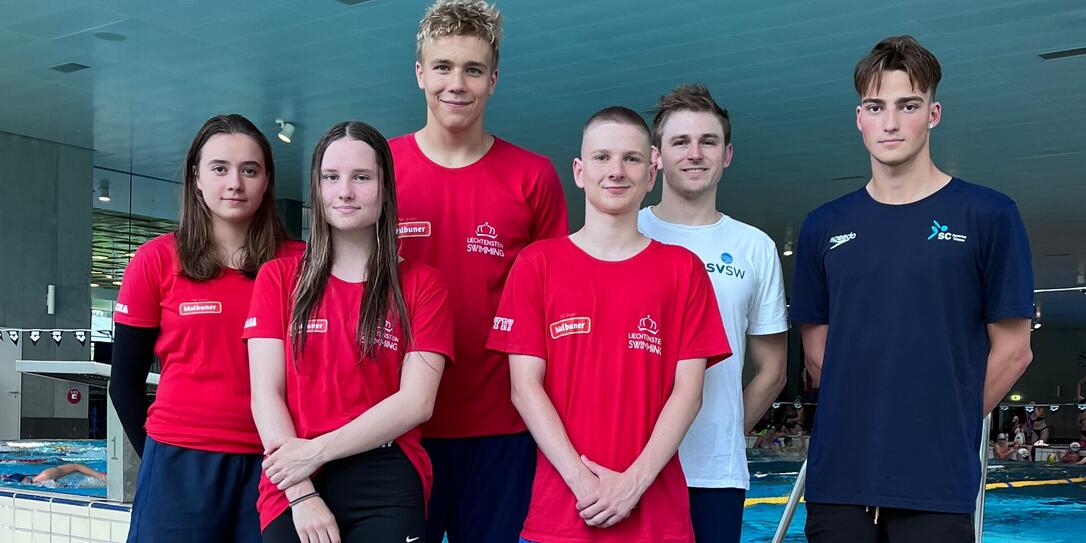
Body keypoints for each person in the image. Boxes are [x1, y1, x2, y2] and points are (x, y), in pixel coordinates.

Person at [790, 36, 1034, 542]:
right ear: (860, 118)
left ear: (934, 114)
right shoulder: (822, 226)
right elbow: (818, 356)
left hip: (936, 481)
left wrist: (939, 424)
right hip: (840, 480)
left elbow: (1014, 351)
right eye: (876, 108)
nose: (891, 123)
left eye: (908, 105)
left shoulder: (989, 216)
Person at [488, 106, 731, 542]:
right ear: (579, 171)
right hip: (561, 515)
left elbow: (689, 392)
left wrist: (632, 484)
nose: (616, 171)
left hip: (658, 520)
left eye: (631, 159)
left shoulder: (683, 270)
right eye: (602, 157)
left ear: (651, 173)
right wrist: (586, 485)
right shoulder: (536, 265)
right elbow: (524, 388)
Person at [392, 1, 569, 540]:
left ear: (494, 80)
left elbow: (556, 310)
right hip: (398, 426)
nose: (457, 84)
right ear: (420, 72)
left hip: (502, 429)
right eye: (443, 66)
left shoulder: (532, 177)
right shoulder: (381, 171)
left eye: (473, 70)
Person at [245, 122, 455, 543]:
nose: (345, 192)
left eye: (361, 178)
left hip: (385, 473)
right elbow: (265, 394)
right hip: (293, 476)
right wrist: (301, 492)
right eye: (331, 177)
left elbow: (417, 402)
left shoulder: (421, 285)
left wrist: (317, 452)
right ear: (317, 189)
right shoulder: (279, 278)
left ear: (384, 188)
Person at [109, 114, 302, 542]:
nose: (235, 183)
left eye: (249, 170)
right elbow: (123, 383)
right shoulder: (156, 260)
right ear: (196, 177)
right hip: (179, 463)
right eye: (219, 169)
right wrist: (161, 458)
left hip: (274, 462)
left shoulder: (301, 264)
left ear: (267, 180)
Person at [636, 84, 788, 543]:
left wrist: (725, 431)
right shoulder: (627, 230)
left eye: (709, 142)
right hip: (624, 463)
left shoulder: (754, 247)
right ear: (656, 156)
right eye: (680, 141)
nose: (695, 153)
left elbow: (774, 369)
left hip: (714, 473)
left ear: (727, 155)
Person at [1, 464, 106, 487]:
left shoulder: (46, 475)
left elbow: (76, 467)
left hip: (95, 482)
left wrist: (101, 476)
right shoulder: (40, 484)